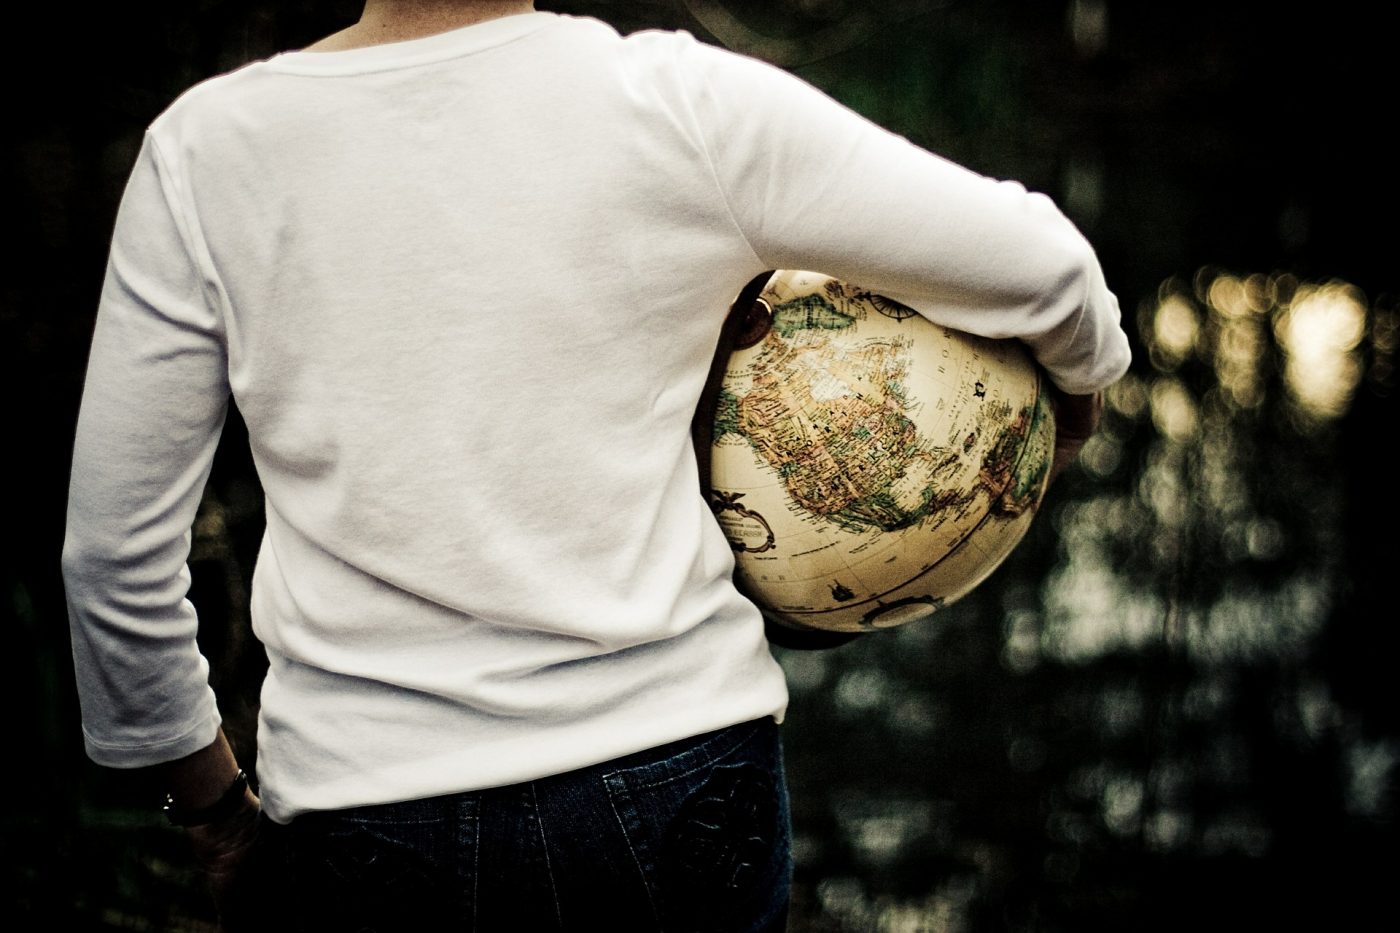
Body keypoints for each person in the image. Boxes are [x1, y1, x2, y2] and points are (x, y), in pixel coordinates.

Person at [60, 1, 1132, 930]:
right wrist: (1065, 414)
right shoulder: (676, 103)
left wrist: (206, 812)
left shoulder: (208, 150)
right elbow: (1048, 272)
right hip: (679, 788)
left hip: (364, 811)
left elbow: (113, 558)